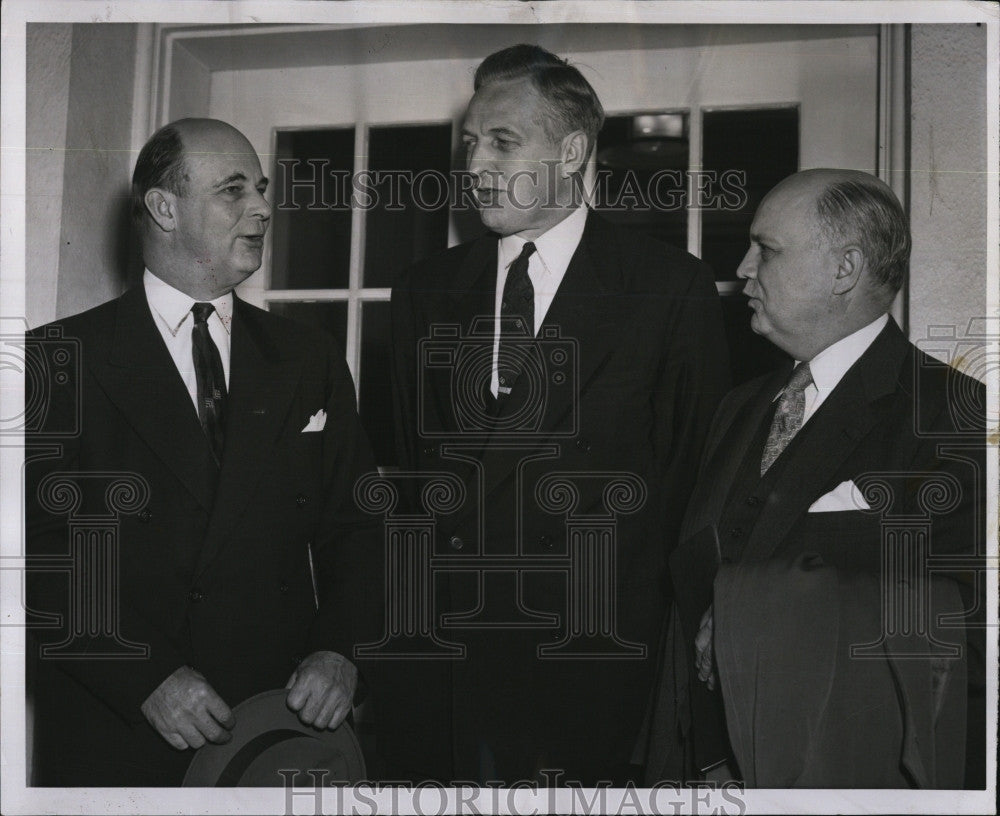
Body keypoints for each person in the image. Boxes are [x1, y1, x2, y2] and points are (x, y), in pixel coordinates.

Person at [389, 44, 730, 785]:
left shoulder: (670, 289)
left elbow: (690, 493)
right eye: (471, 143)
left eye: (502, 142)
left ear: (572, 150)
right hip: (449, 669)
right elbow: (412, 477)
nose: (475, 163)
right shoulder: (424, 290)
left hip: (600, 673)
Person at [25, 118, 380, 786]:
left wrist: (340, 650)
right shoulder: (57, 361)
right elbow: (36, 553)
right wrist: (142, 676)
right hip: (118, 730)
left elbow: (358, 528)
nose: (263, 208)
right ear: (164, 207)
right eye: (233, 189)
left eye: (263, 189)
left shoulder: (308, 359)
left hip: (273, 732)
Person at [640, 169, 985, 788]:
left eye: (766, 250)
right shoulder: (740, 406)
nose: (743, 269)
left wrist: (750, 613)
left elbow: (957, 626)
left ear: (845, 268)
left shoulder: (954, 416)